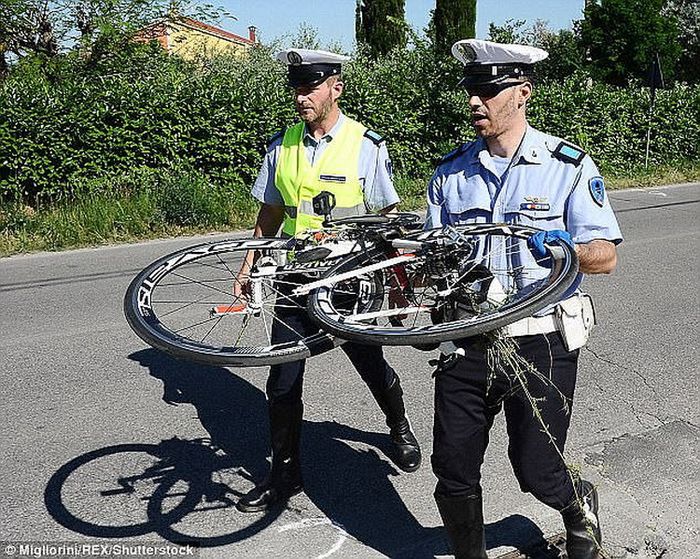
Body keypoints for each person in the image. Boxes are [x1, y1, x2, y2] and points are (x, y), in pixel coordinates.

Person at [425, 40, 622, 559]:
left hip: (542, 341)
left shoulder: (567, 166)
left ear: (522, 93)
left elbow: (605, 256)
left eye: (487, 91)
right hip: (468, 340)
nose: (474, 102)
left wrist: (564, 250)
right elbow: (429, 258)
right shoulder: (449, 175)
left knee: (536, 470)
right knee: (452, 465)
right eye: (471, 90)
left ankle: (578, 503)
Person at [236, 48, 421, 513]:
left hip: (350, 278)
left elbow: (388, 217)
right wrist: (248, 264)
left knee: (369, 363)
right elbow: (272, 211)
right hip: (295, 278)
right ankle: (284, 474)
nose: (301, 97)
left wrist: (398, 280)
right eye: (296, 88)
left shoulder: (365, 144)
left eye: (309, 88)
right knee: (281, 380)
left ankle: (397, 425)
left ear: (335, 87)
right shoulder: (283, 145)